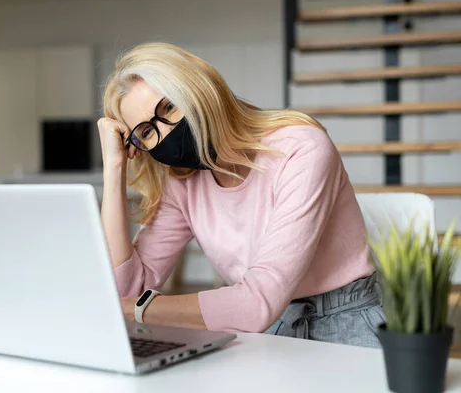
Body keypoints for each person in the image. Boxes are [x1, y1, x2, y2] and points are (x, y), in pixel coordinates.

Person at [97, 42, 384, 348]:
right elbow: (126, 291)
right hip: (262, 332)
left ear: (199, 90)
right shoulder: (182, 183)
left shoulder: (301, 148)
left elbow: (256, 303)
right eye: (145, 132)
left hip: (346, 322)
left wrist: (139, 310)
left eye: (168, 107)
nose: (165, 134)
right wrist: (113, 170)